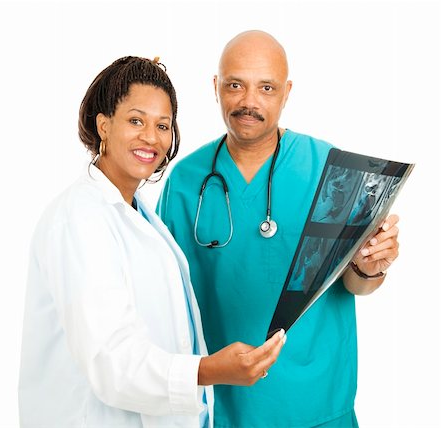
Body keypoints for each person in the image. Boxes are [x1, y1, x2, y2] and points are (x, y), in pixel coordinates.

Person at [18, 56, 286, 428]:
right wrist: (208, 370)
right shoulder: (79, 219)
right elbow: (112, 361)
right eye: (136, 120)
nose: (151, 137)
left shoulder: (139, 215)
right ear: (104, 125)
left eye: (163, 125)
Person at [157, 31, 400, 427]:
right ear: (215, 87)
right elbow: (164, 302)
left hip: (318, 406)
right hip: (223, 410)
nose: (249, 102)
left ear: (286, 92)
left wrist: (370, 266)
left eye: (266, 88)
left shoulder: (329, 170)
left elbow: (358, 284)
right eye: (235, 85)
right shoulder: (185, 181)